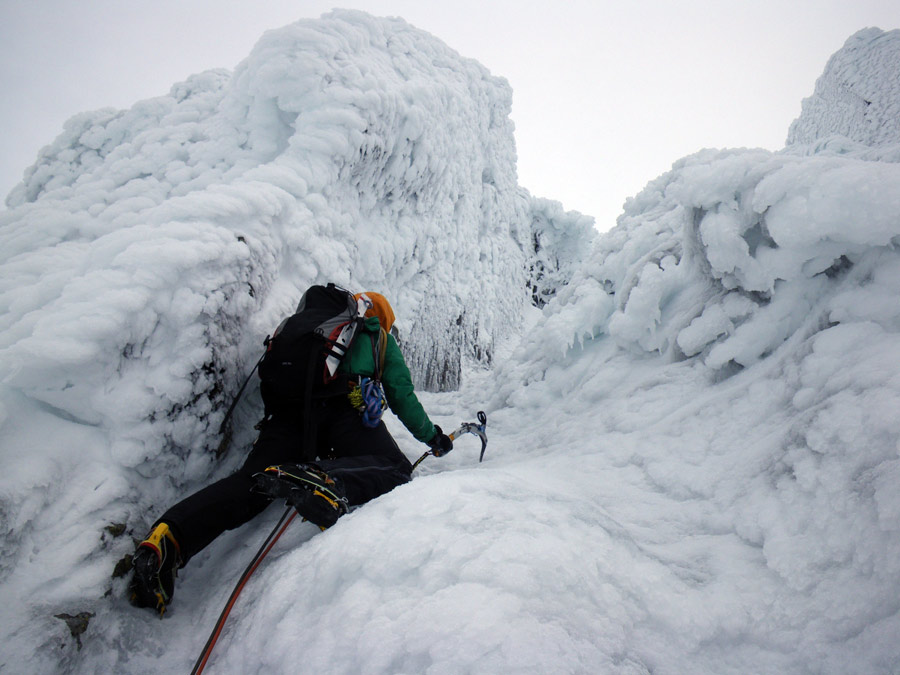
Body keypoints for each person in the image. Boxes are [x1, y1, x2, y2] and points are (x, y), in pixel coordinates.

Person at [130, 290, 452, 614]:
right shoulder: (377, 336)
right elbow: (401, 395)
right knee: (395, 467)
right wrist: (432, 437)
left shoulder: (307, 331)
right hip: (343, 412)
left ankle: (170, 537)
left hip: (287, 415)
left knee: (250, 482)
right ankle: (324, 480)